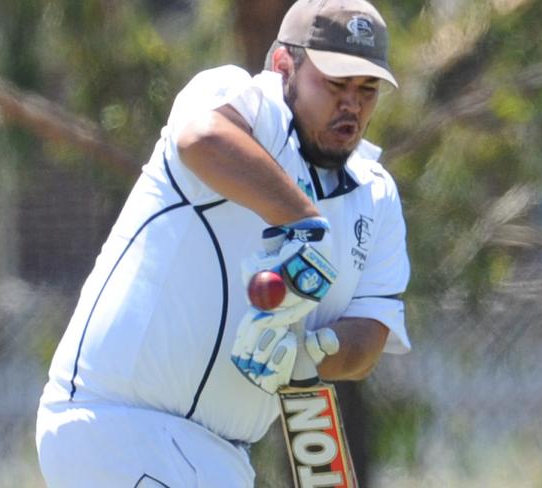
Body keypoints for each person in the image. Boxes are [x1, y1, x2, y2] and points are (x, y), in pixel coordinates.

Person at [35, 0, 411, 486]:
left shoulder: (375, 195)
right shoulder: (242, 103)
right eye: (335, 84)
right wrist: (302, 219)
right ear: (282, 67)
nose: (352, 105)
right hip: (116, 425)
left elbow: (369, 338)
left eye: (367, 89)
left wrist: (312, 349)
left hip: (222, 457)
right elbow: (201, 139)